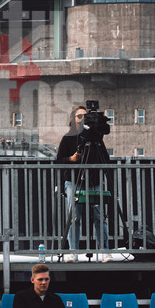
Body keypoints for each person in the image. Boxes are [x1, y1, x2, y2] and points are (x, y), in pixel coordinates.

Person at [56, 105, 111, 256]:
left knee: (99, 216)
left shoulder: (96, 139)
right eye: (79, 116)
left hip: (94, 181)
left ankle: (104, 251)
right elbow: (59, 160)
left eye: (85, 117)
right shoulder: (68, 138)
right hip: (74, 181)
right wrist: (71, 159)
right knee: (74, 217)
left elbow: (106, 159)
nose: (82, 119)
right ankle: (73, 251)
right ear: (73, 119)